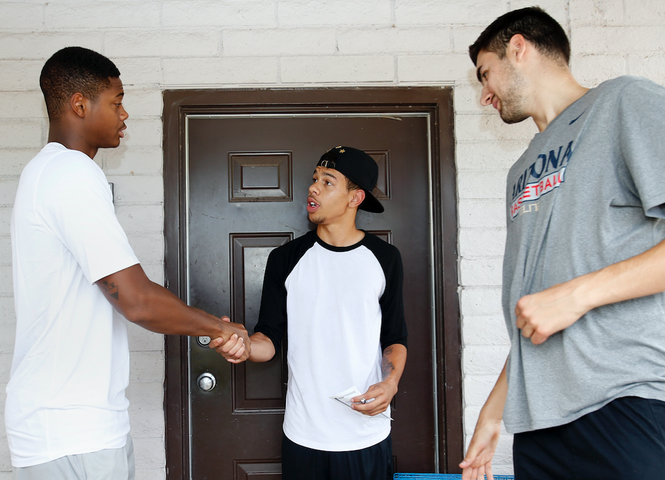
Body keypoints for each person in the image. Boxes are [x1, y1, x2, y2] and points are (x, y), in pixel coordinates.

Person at [460, 7, 665, 480]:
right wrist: (495, 411)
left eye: (485, 74)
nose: (483, 95)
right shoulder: (521, 170)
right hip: (541, 426)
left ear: (518, 49)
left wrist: (580, 294)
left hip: (629, 401)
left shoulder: (624, 102)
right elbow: (538, 309)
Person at [6, 46, 249, 480]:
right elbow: (135, 300)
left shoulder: (48, 174)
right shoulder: (71, 174)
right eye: (116, 102)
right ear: (80, 105)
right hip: (73, 432)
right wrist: (219, 329)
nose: (125, 114)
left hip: (68, 428)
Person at [219, 146, 408, 480]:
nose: (313, 187)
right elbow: (269, 339)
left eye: (328, 181)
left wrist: (391, 382)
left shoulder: (385, 258)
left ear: (355, 198)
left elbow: (394, 336)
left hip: (366, 434)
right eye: (314, 179)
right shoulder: (286, 259)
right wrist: (245, 346)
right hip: (303, 434)